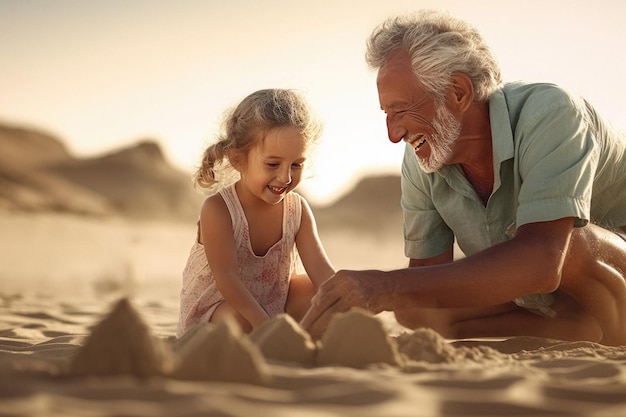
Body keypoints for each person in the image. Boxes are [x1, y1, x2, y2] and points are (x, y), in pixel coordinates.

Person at [301, 10, 626, 346]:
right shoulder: (420, 160)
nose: (393, 134)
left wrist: (381, 286)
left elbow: (543, 258)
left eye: (400, 110)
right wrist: (370, 297)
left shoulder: (551, 113)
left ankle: (617, 337)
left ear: (458, 91)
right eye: (386, 114)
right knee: (414, 310)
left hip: (602, 272)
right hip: (548, 295)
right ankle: (575, 330)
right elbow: (424, 276)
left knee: (571, 243)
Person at [177, 88, 335, 336]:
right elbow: (226, 278)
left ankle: (300, 343)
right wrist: (264, 324)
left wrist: (349, 306)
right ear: (238, 160)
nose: (285, 177)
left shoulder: (298, 210)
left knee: (321, 295)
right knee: (238, 321)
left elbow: (323, 274)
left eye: (296, 164)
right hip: (221, 312)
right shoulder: (219, 209)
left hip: (273, 310)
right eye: (273, 164)